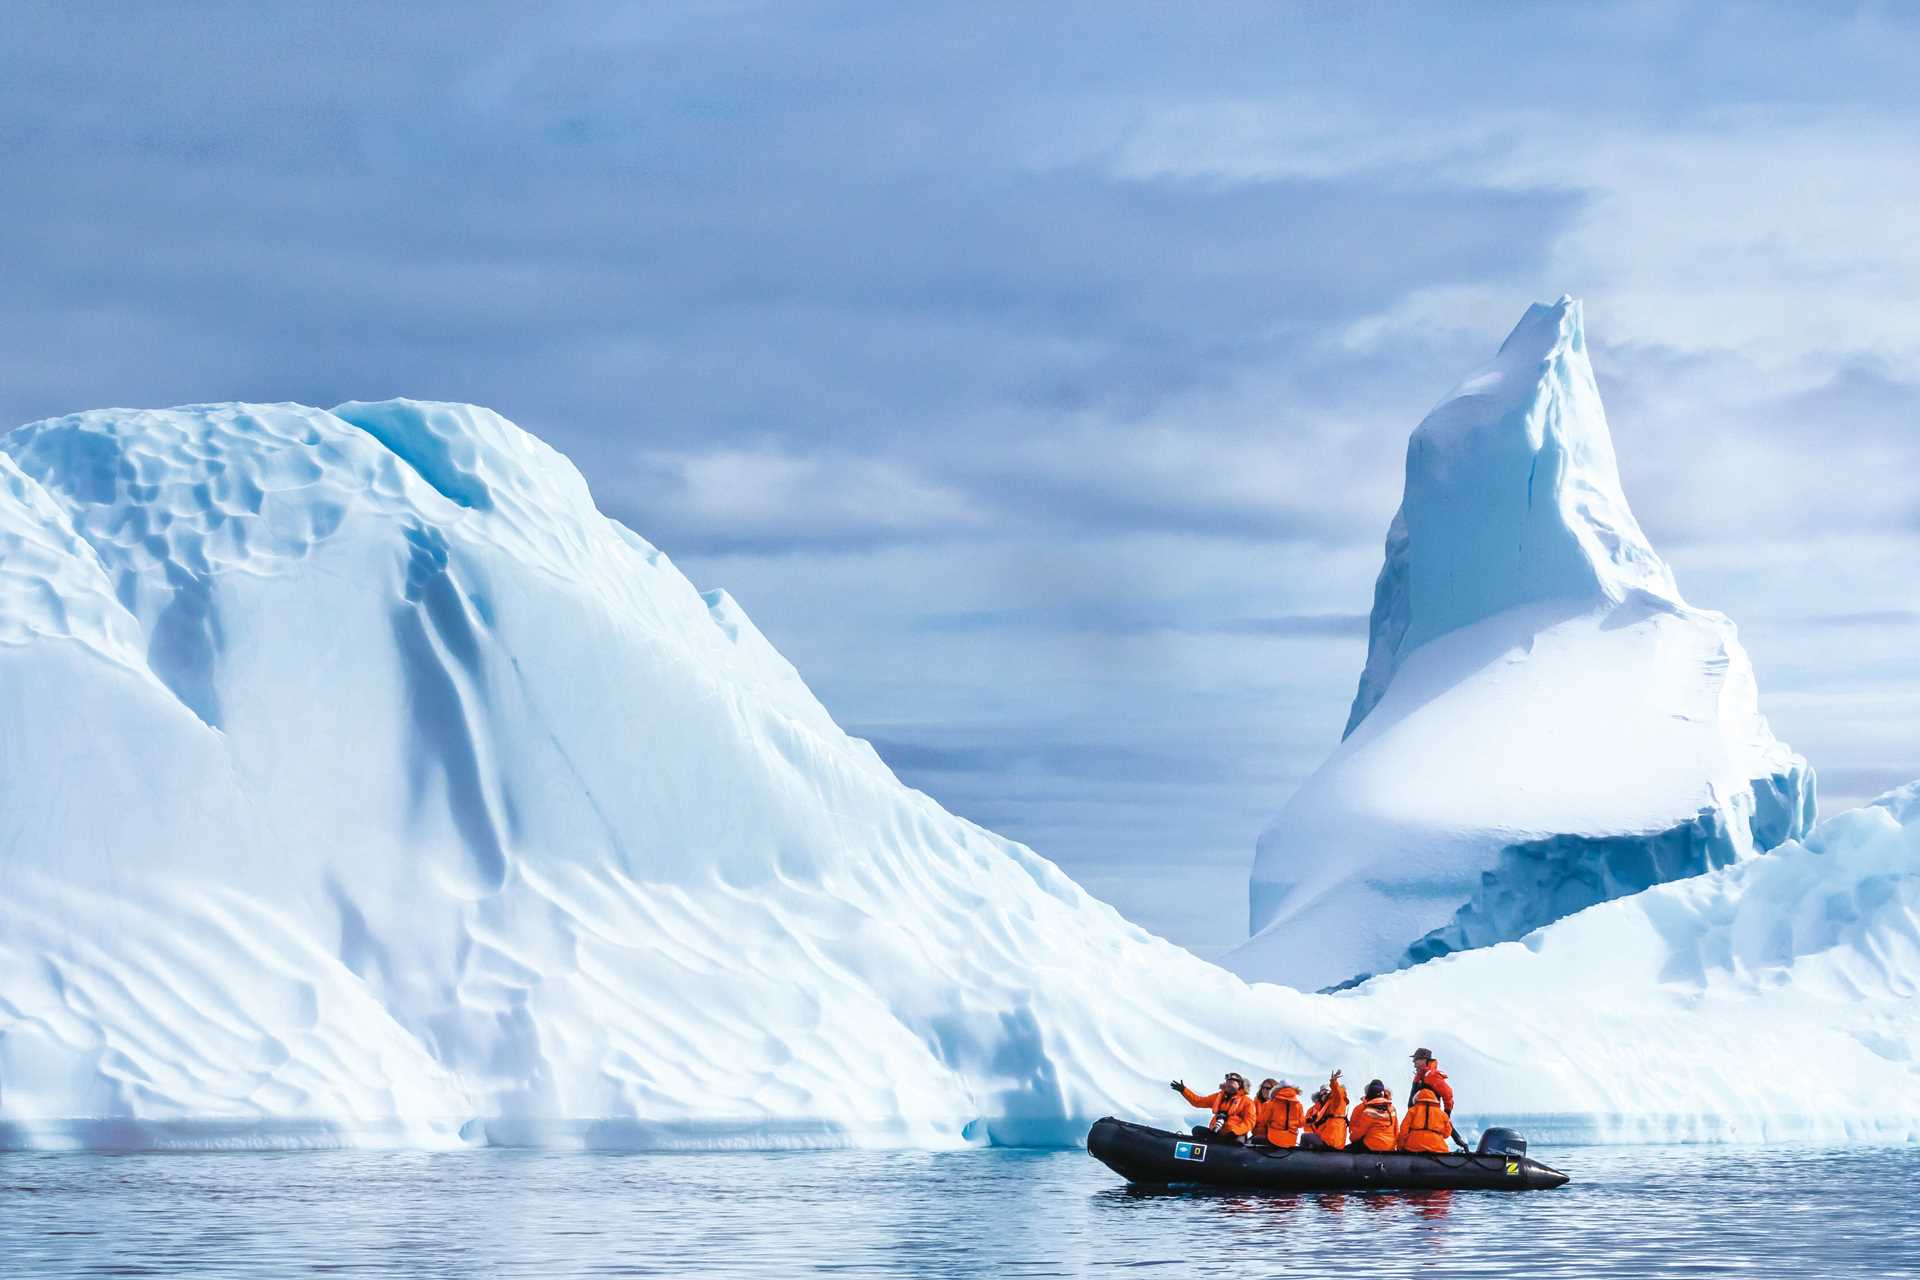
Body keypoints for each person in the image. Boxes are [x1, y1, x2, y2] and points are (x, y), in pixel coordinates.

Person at [1171, 1072, 1256, 1142]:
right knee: (1197, 1130)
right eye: (1227, 1080)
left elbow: (1249, 1122)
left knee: (1237, 1141)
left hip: (1233, 1136)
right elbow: (1198, 1102)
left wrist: (1235, 1131)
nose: (1229, 1082)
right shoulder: (1218, 1097)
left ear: (1240, 1084)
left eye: (1232, 1080)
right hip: (1216, 1132)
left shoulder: (1247, 1102)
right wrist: (1184, 1090)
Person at [1398, 1082, 1469, 1153]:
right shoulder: (1442, 1114)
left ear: (1417, 1098)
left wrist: (1400, 1147)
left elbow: (1403, 1130)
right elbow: (1446, 1134)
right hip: (1437, 1148)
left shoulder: (1412, 1111)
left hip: (1413, 1147)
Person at [1300, 1069, 1349, 1150]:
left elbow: (1337, 1094)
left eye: (1325, 1092)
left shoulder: (1335, 1102)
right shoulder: (1320, 1108)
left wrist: (1334, 1082)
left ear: (1330, 1092)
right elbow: (1308, 1125)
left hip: (1331, 1140)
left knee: (1304, 1137)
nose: (1323, 1094)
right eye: (1321, 1092)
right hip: (1327, 1137)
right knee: (1308, 1136)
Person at [1345, 1079, 1398, 1152]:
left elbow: (1358, 1133)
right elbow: (1396, 1130)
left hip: (1372, 1145)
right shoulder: (1392, 1109)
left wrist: (1352, 1138)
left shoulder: (1368, 1111)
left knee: (1347, 1151)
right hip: (1390, 1146)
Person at [1252, 1077, 1305, 1147]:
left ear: (1276, 1088)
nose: (1264, 1090)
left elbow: (1263, 1121)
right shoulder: (1299, 1105)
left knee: (1255, 1140)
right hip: (1291, 1140)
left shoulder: (1271, 1103)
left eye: (1268, 1088)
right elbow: (1301, 1124)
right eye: (1263, 1088)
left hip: (1274, 1138)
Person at [1408, 1047, 1455, 1115]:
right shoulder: (1419, 1076)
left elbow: (1447, 1094)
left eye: (1416, 1059)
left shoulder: (1432, 1075)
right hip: (1416, 1119)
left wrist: (1447, 1113)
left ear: (1424, 1060)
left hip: (1429, 1120)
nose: (1413, 1061)